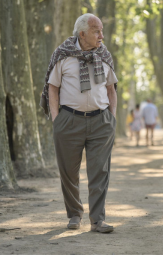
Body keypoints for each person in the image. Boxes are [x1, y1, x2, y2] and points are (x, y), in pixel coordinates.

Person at [40, 13, 118, 233]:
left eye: (101, 30)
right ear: (82, 34)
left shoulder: (104, 55)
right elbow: (52, 88)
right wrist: (57, 120)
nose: (102, 35)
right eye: (96, 31)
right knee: (69, 172)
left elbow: (111, 89)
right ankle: (75, 214)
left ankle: (97, 220)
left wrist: (111, 118)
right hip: (69, 121)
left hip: (101, 122)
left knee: (99, 172)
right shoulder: (62, 54)